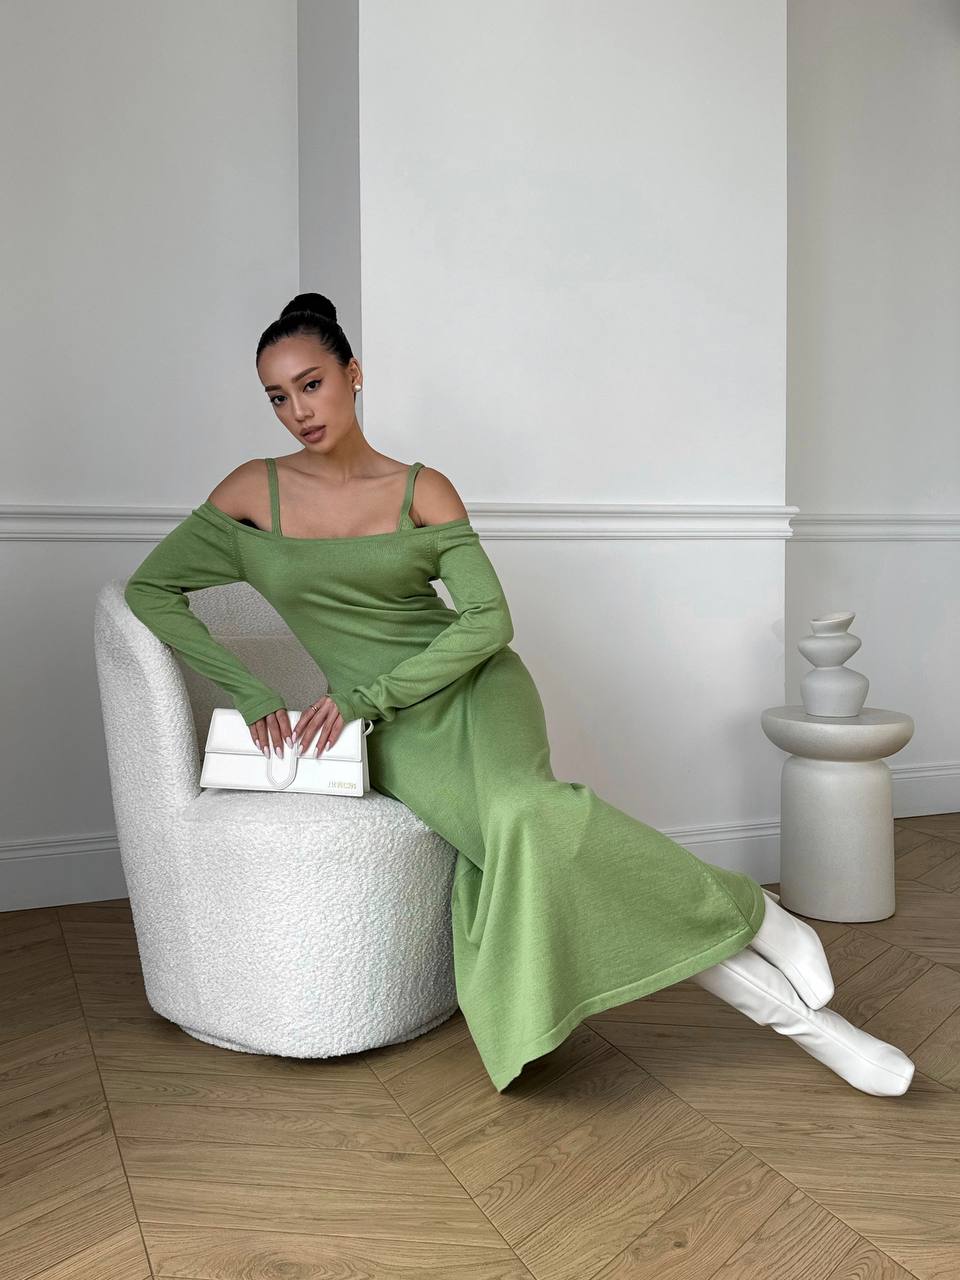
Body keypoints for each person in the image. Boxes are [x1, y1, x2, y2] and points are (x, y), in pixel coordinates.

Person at [123, 292, 915, 1097]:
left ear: (353, 375)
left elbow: (487, 623)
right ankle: (775, 955)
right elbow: (152, 591)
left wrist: (372, 694)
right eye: (278, 397)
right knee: (530, 831)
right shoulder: (252, 494)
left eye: (311, 384)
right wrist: (254, 694)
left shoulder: (419, 489)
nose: (297, 410)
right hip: (392, 732)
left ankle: (793, 986)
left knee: (529, 813)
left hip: (473, 693)